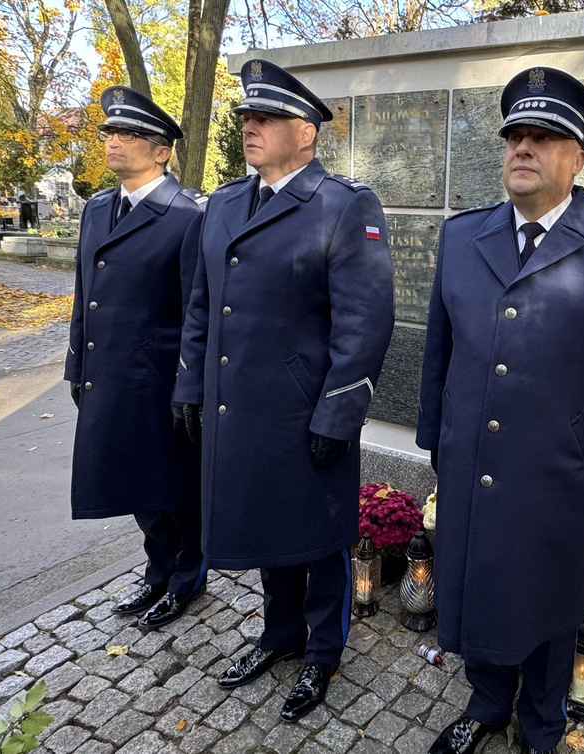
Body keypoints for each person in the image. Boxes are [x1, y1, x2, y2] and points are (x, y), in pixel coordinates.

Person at [417, 66, 584, 754]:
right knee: (477, 583)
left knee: (548, 605)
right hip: (473, 458)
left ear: (578, 157)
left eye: (544, 137)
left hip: (559, 471)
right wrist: (434, 438)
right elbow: (439, 350)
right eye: (514, 137)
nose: (523, 149)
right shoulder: (462, 237)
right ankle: (487, 703)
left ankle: (541, 722)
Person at [172, 58, 394, 724]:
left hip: (305, 410)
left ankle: (323, 650)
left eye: (265, 118)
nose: (250, 127)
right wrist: (189, 382)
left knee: (317, 535)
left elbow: (365, 322)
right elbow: (201, 305)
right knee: (268, 526)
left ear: (307, 133)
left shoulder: (344, 205)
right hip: (239, 407)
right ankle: (279, 635)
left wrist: (339, 410)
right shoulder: (224, 205)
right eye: (246, 117)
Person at [64, 85, 206, 630]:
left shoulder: (188, 215)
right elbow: (85, 295)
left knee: (172, 487)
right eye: (111, 134)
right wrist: (77, 364)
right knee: (132, 483)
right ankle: (157, 570)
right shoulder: (98, 209)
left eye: (130, 135)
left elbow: (200, 310)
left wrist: (188, 386)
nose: (115, 143)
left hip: (159, 378)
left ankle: (187, 577)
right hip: (106, 374)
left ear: (162, 150)